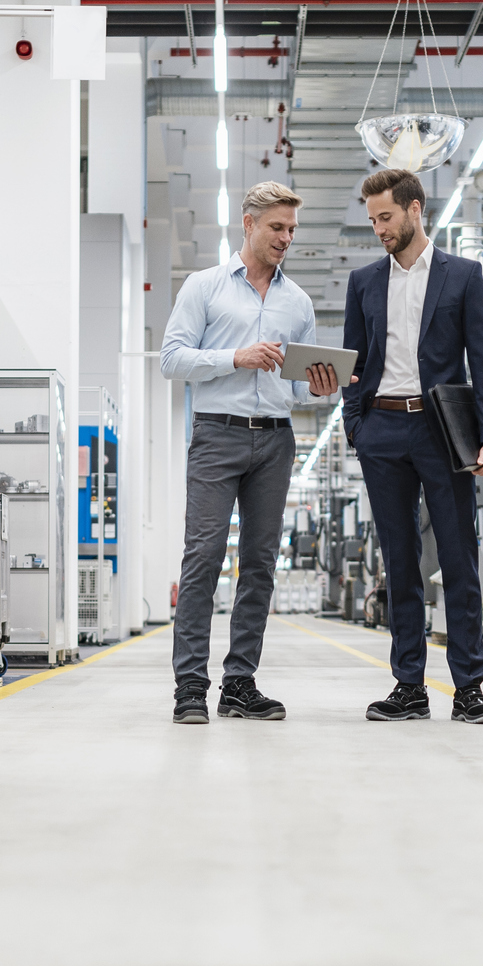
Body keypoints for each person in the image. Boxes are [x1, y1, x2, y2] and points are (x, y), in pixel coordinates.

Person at [160, 182, 341, 725]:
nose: (286, 238)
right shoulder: (205, 287)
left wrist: (322, 386)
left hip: (276, 440)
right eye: (277, 228)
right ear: (249, 224)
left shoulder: (298, 302)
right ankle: (190, 686)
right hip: (217, 434)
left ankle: (239, 684)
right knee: (204, 558)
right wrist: (234, 358)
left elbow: (302, 385)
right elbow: (172, 359)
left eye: (292, 229)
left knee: (260, 565)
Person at [339, 167, 483, 725]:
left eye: (385, 217)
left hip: (441, 432)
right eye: (372, 220)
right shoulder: (364, 282)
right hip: (383, 431)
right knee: (400, 564)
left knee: (459, 559)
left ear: (415, 210)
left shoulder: (462, 276)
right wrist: (356, 428)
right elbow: (354, 366)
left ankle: (469, 690)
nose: (379, 228)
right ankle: (409, 685)